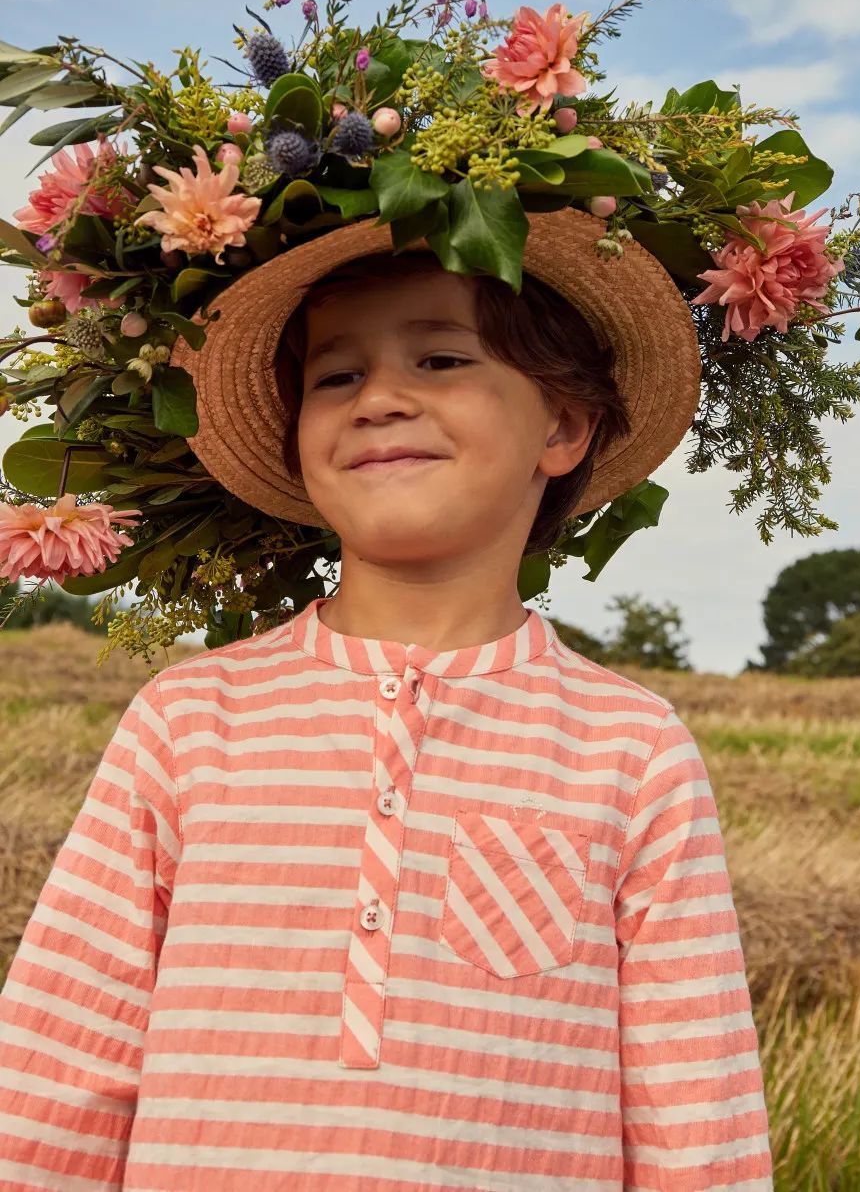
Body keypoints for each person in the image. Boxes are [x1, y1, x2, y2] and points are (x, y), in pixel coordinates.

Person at [0, 207, 774, 1189]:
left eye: (442, 359)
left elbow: (693, 1107)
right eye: (336, 375)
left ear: (565, 425)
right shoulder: (191, 723)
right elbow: (62, 1067)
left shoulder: (630, 751)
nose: (379, 400)